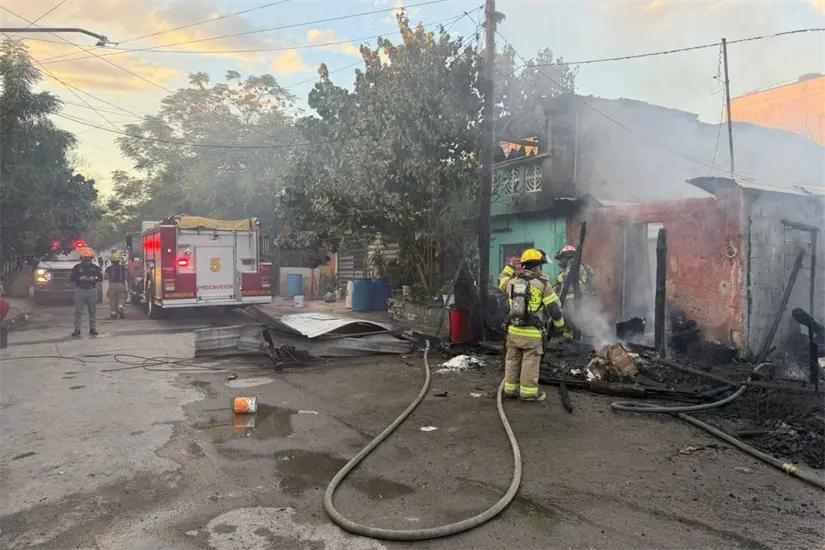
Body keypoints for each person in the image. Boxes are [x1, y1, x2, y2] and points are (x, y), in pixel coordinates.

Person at [498, 248, 565, 402]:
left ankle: (509, 390)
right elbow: (554, 309)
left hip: (513, 330)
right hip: (532, 334)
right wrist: (559, 325)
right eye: (541, 266)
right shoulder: (543, 284)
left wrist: (510, 267)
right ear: (537, 267)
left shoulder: (512, 283)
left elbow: (501, 279)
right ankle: (528, 393)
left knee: (512, 359)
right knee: (530, 361)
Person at [553, 245, 596, 340]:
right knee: (578, 327)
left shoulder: (573, 268)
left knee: (570, 327)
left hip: (571, 303)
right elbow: (593, 287)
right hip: (583, 302)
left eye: (561, 259)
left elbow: (562, 280)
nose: (561, 262)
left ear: (566, 258)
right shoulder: (585, 268)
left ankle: (571, 345)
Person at [70, 248, 103, 337]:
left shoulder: (95, 268)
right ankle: (77, 329)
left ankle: (92, 329)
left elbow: (100, 278)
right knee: (78, 311)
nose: (87, 261)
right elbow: (72, 278)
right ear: (82, 259)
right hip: (80, 290)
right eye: (85, 259)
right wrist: (79, 279)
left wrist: (94, 278)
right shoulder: (77, 267)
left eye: (88, 259)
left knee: (92, 310)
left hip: (91, 290)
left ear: (91, 258)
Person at [105, 252, 128, 319]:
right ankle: (120, 307)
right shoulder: (123, 268)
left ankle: (113, 313)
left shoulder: (108, 269)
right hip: (121, 284)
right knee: (122, 297)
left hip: (112, 285)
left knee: (112, 299)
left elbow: (106, 277)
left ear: (111, 261)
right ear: (119, 260)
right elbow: (126, 275)